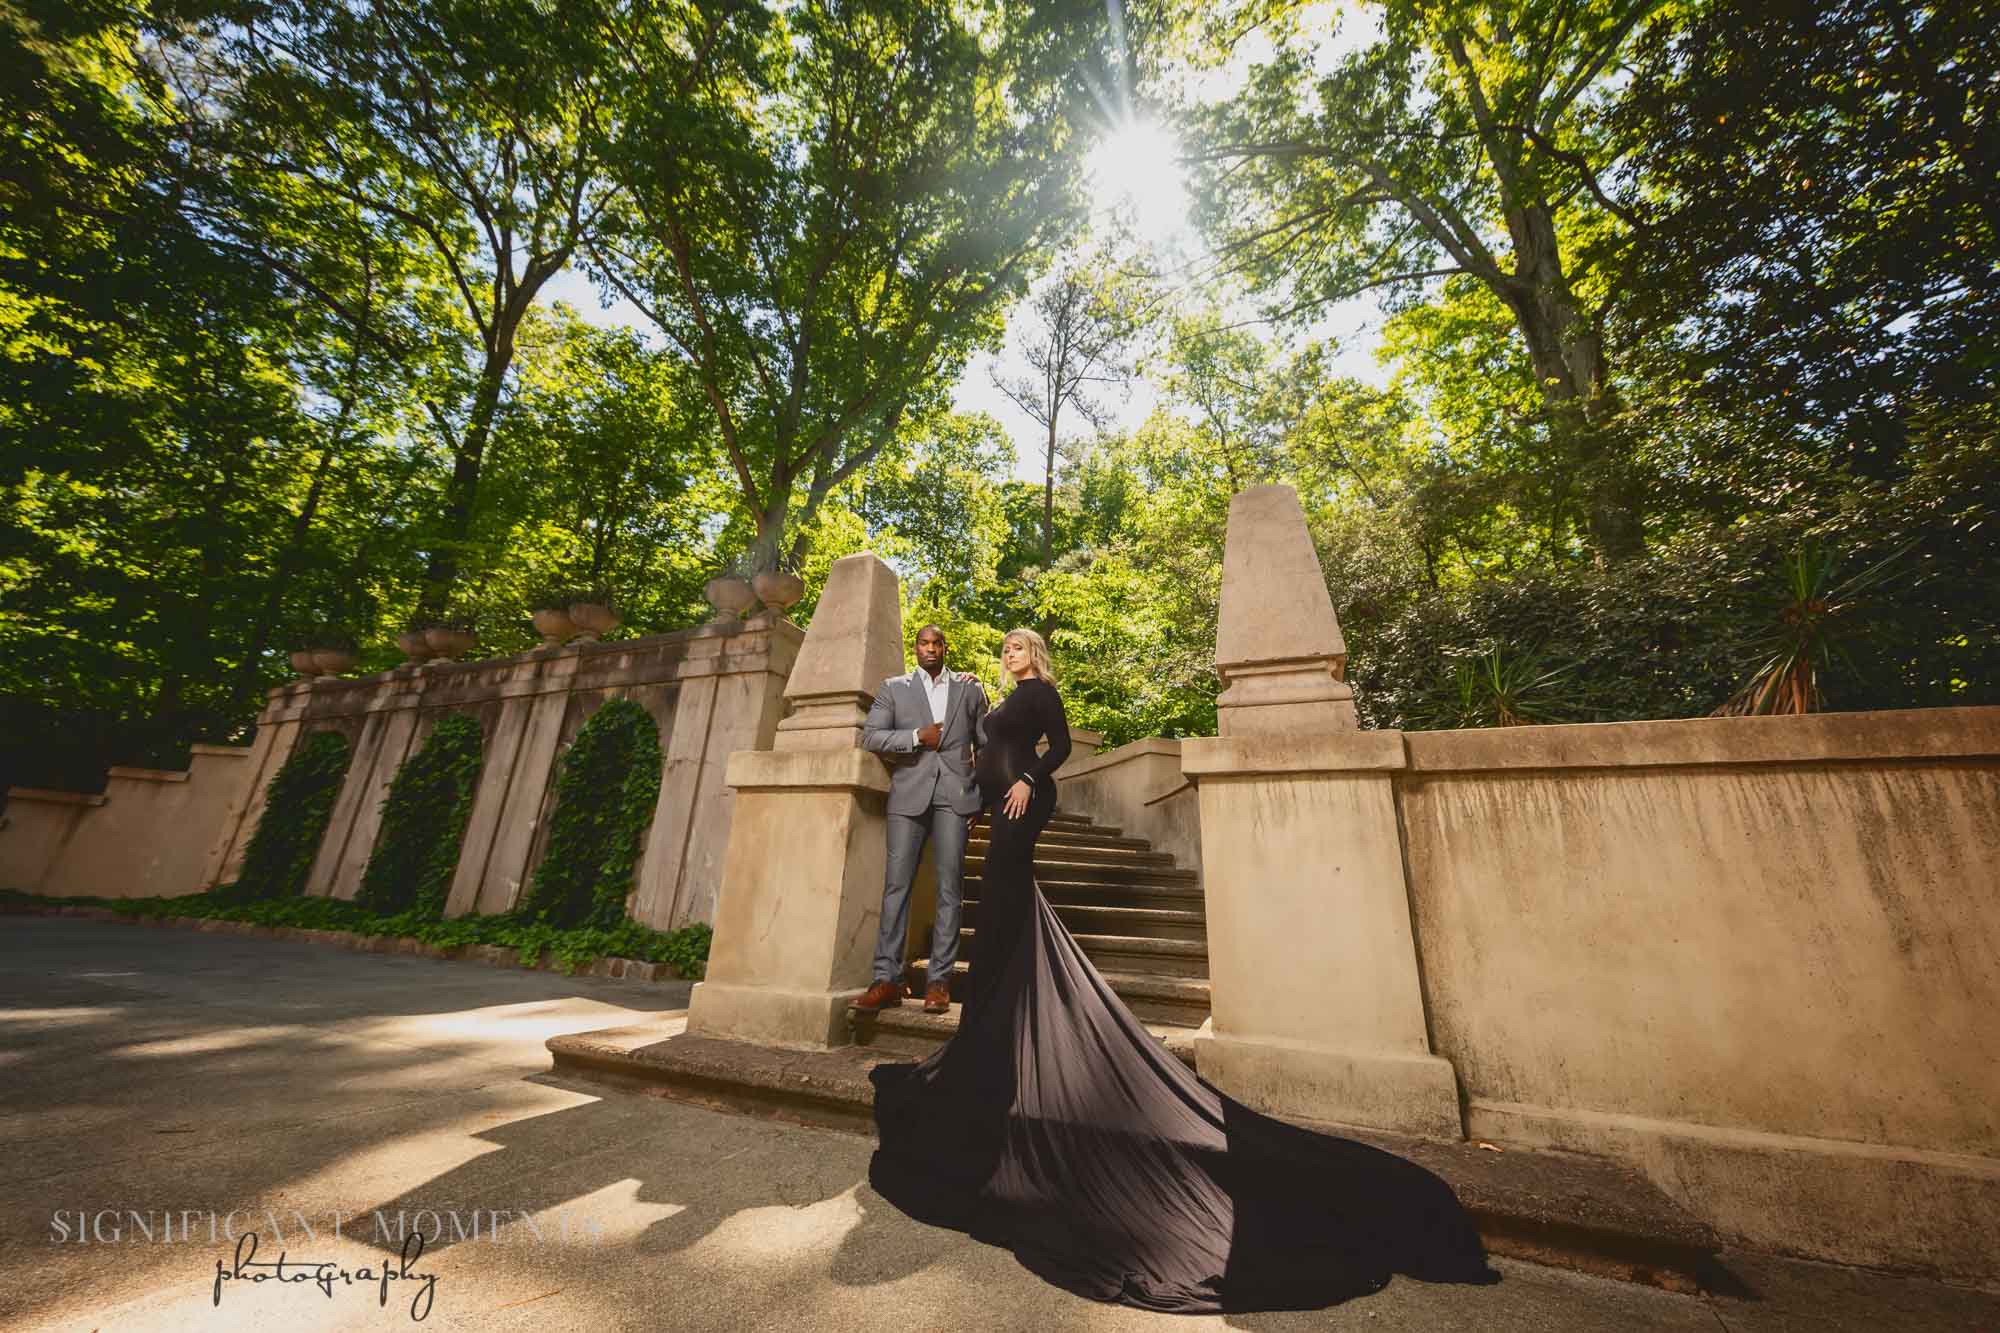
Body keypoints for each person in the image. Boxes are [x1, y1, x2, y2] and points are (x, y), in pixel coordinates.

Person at [867, 627, 1496, 1314]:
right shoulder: (997, 695)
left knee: (1008, 911)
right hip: (996, 807)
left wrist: (1022, 778)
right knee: (1004, 924)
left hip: (1023, 806)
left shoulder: (1041, 692)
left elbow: (1061, 748)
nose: (1012, 652)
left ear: (1036, 655)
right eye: (1008, 648)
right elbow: (979, 745)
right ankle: (992, 1041)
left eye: (1021, 647)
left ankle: (991, 1045)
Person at [854, 624, 989, 1015]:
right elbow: (873, 737)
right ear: (915, 648)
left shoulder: (968, 688)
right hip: (908, 797)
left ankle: (938, 982)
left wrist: (978, 798)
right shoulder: (893, 687)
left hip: (954, 799)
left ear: (946, 648)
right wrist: (916, 736)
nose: (930, 649)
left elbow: (987, 743)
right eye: (923, 643)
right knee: (896, 888)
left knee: (950, 889)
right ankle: (886, 979)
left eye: (937, 643)